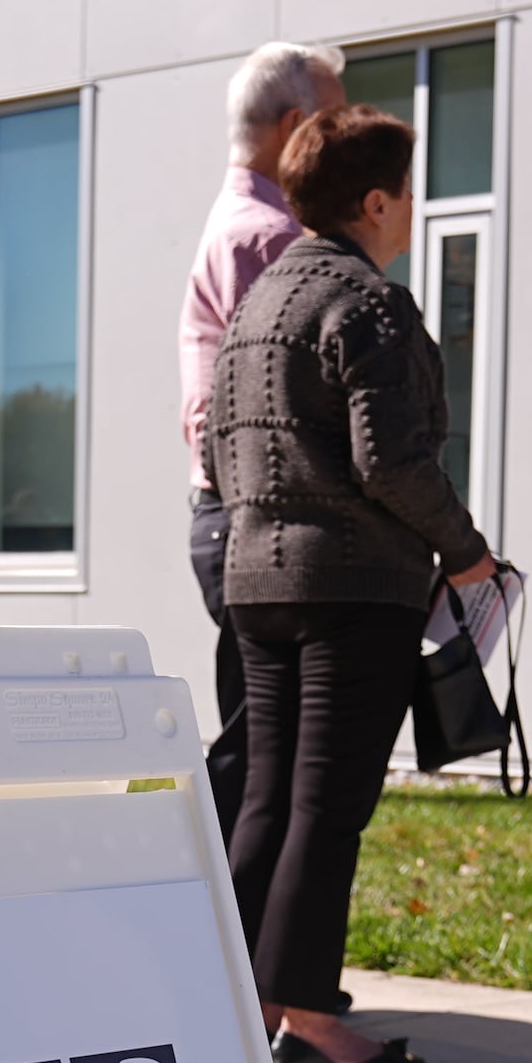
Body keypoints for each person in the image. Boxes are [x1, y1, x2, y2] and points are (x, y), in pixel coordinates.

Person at [204, 102, 497, 1063]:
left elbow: (215, 442)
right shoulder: (369, 304)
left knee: (268, 803)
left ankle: (242, 1005)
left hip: (257, 582)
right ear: (375, 201)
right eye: (408, 192)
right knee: (327, 806)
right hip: (351, 588)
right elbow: (394, 463)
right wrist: (466, 556)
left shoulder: (258, 305)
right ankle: (315, 1022)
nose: (412, 210)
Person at [180, 42, 347, 828]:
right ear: (294, 127)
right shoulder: (271, 243)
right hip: (259, 527)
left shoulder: (248, 227)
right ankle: (207, 935)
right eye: (336, 117)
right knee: (265, 777)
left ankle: (218, 936)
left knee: (260, 767)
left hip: (238, 523)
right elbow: (294, 410)